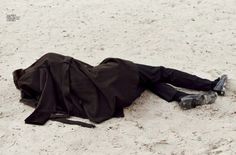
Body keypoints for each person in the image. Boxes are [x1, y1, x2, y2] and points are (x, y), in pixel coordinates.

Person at [13, 53, 227, 128]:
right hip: (113, 74)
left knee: (147, 82)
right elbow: (79, 65)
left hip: (113, 99)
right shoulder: (49, 60)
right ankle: (211, 84)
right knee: (160, 72)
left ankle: (180, 96)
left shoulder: (50, 90)